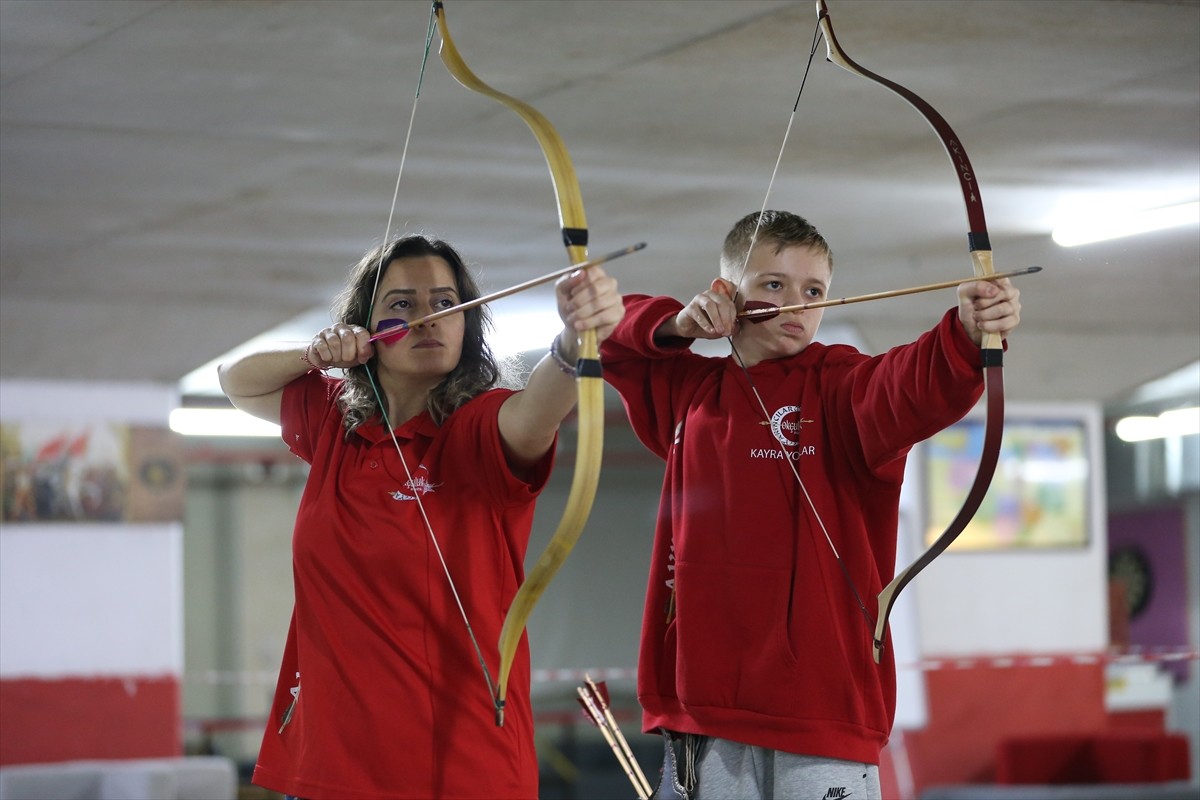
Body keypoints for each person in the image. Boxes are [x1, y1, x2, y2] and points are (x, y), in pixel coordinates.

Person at [598, 210, 1022, 800]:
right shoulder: (688, 392)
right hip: (704, 710)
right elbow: (607, 337)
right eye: (773, 284)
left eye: (813, 291)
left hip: (824, 710)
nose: (795, 304)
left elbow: (912, 382)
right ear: (726, 292)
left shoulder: (842, 386)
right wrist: (675, 324)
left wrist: (968, 332)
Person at [218, 234, 623, 800]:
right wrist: (315, 353)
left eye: (444, 301)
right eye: (402, 305)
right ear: (367, 330)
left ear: (466, 323)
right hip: (327, 765)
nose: (429, 318)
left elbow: (537, 413)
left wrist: (575, 339)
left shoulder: (479, 427)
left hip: (456, 770)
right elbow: (235, 381)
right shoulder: (335, 422)